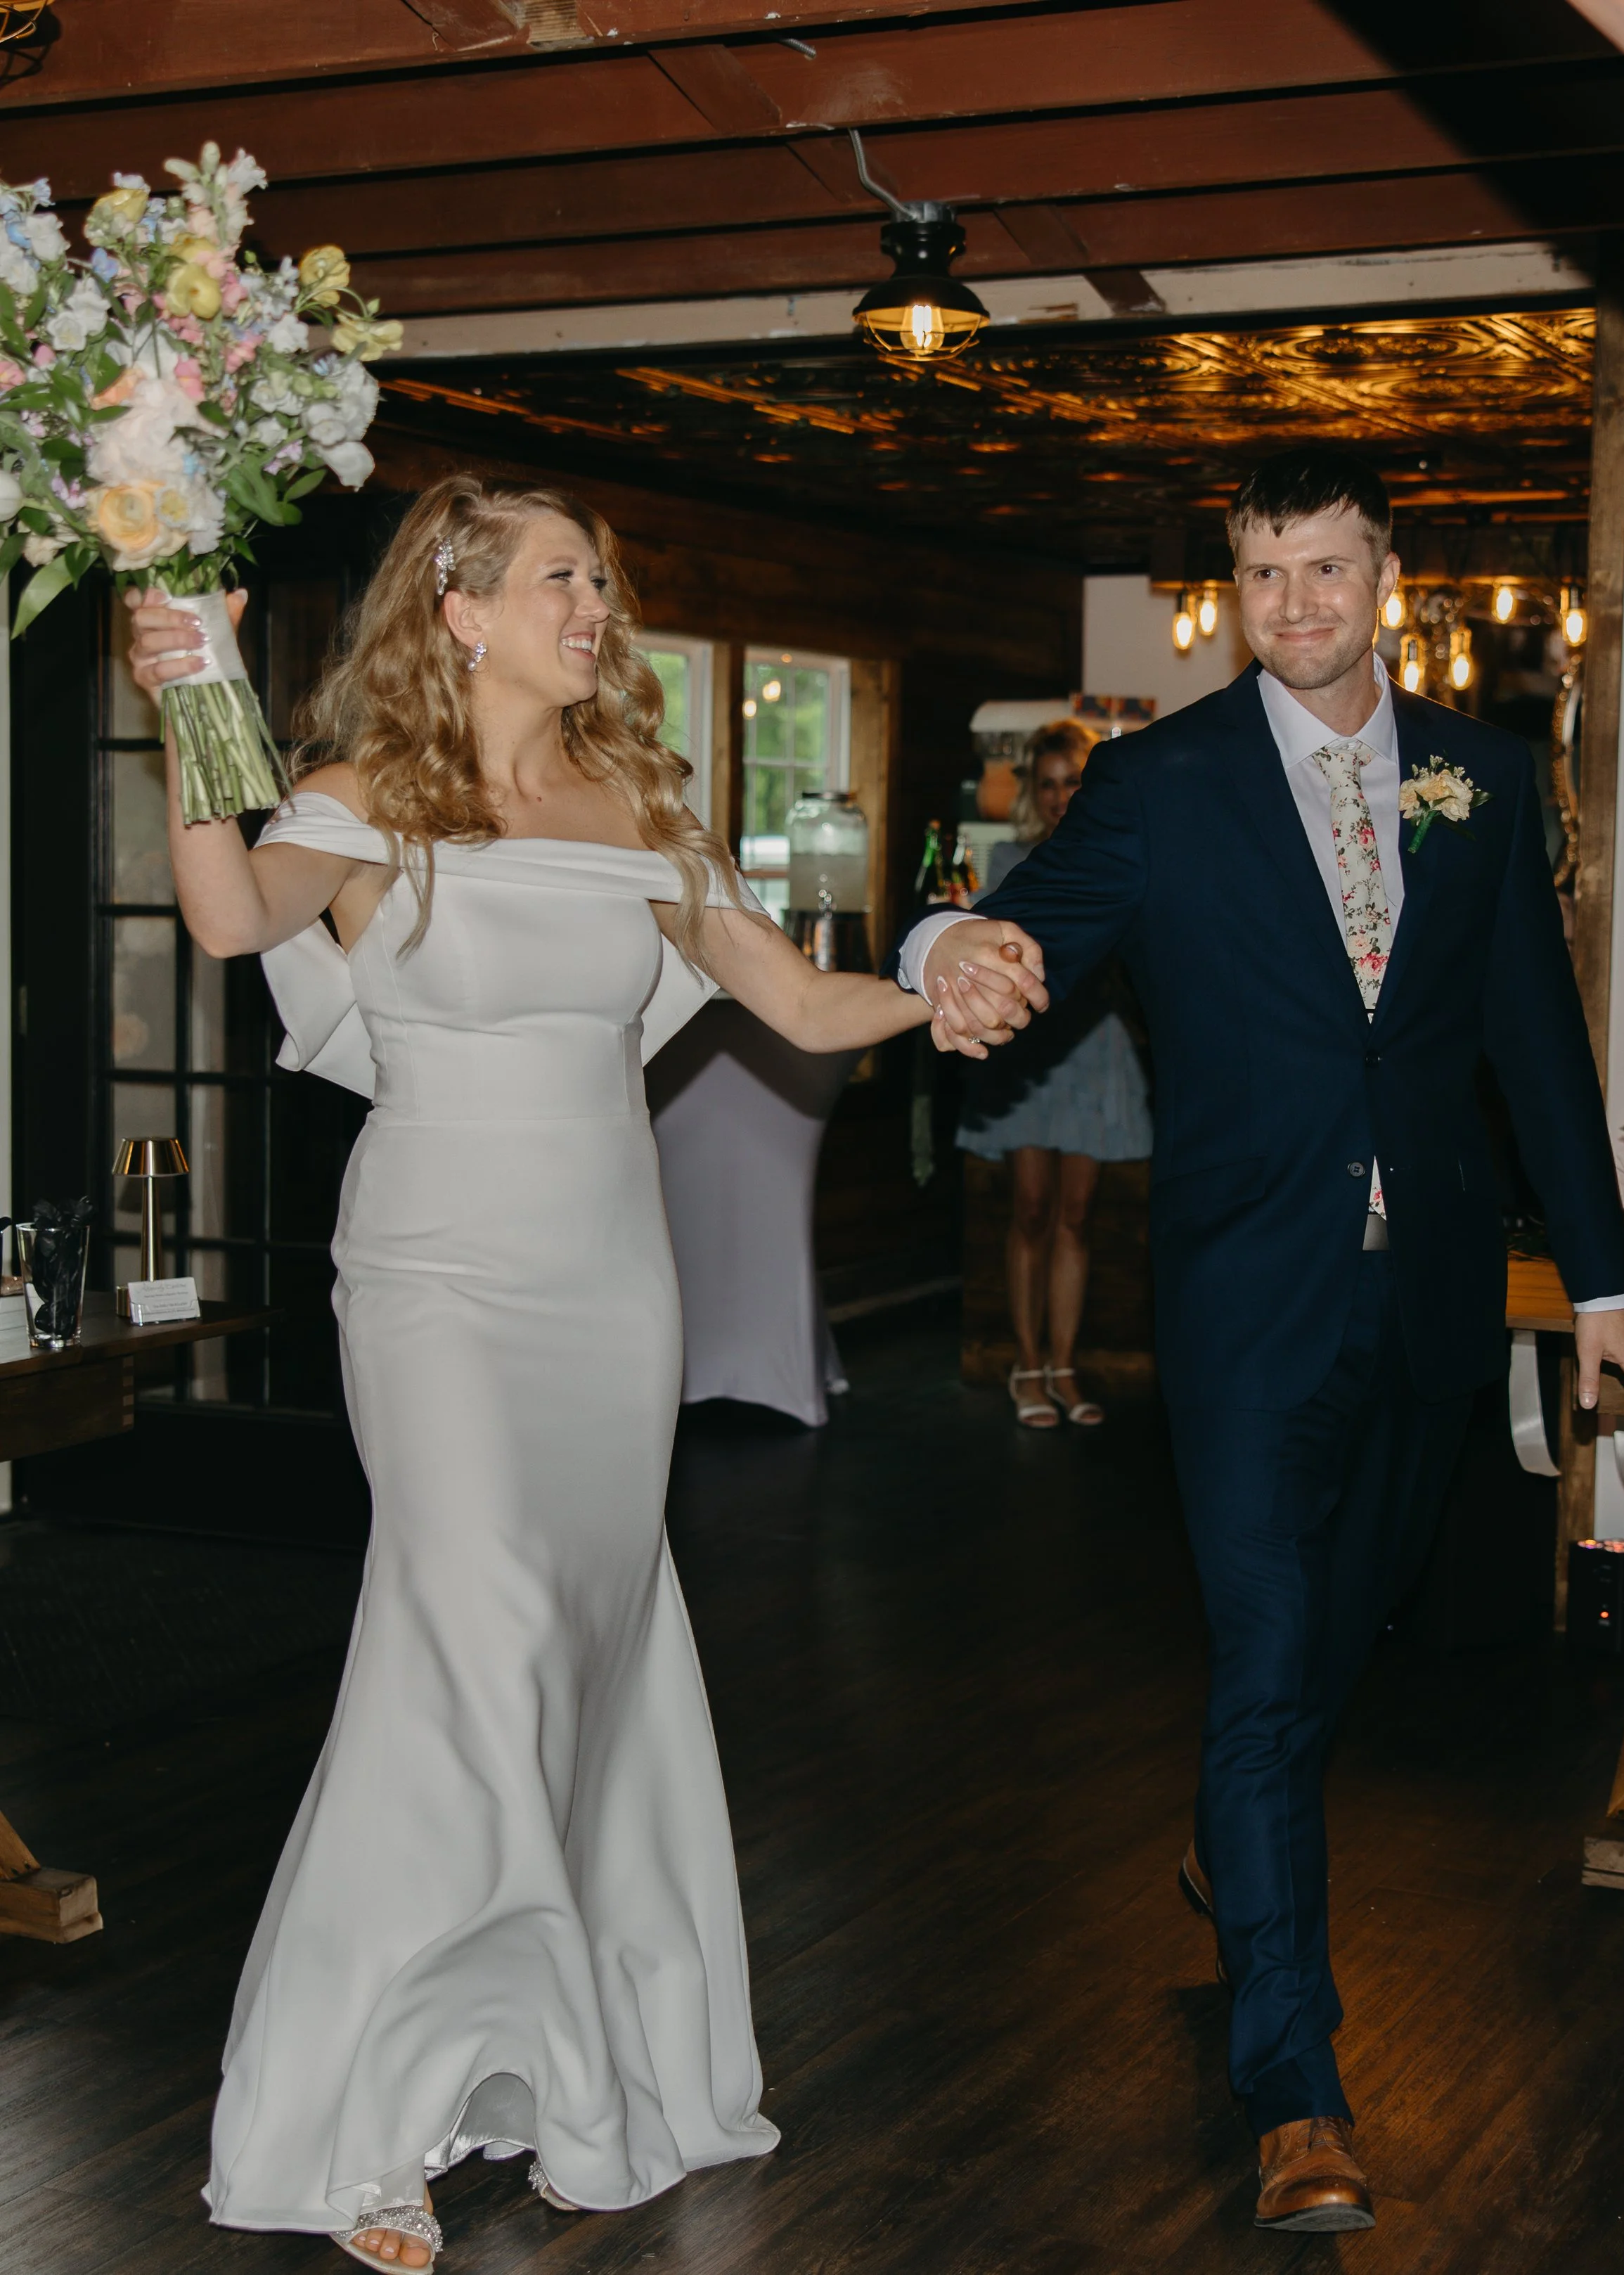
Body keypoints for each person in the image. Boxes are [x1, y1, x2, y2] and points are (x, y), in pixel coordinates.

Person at [124, 475, 1045, 2269]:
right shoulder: (363, 795)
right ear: (460, 610)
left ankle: (556, 2071)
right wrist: (189, 710)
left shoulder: (638, 803)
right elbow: (235, 923)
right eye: (565, 578)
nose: (597, 605)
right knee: (464, 1648)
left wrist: (942, 989)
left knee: (581, 1668)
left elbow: (794, 999)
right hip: (437, 1286)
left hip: (612, 1296)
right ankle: (372, 2114)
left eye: (602, 580)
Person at [906, 448, 1624, 2233]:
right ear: (1234, 591)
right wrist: (948, 943)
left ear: (1384, 572)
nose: (1298, 607)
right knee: (1258, 1658)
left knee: (1342, 1627)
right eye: (1265, 576)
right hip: (1244, 1298)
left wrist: (1607, 1287)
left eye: (1327, 570)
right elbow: (1020, 922)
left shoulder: (1480, 774)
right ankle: (1293, 2083)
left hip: (1431, 1297)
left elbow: (1534, 1039)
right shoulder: (1165, 786)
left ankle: (1230, 1854)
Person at [958, 719, 1152, 1428]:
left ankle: (1064, 1366)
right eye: (1048, 784)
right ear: (1032, 795)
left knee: (1076, 1215)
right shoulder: (1011, 857)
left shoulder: (1116, 858)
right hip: (1029, 1054)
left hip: (1096, 1046)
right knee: (1030, 1210)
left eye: (1073, 781)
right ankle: (1026, 1361)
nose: (1060, 796)